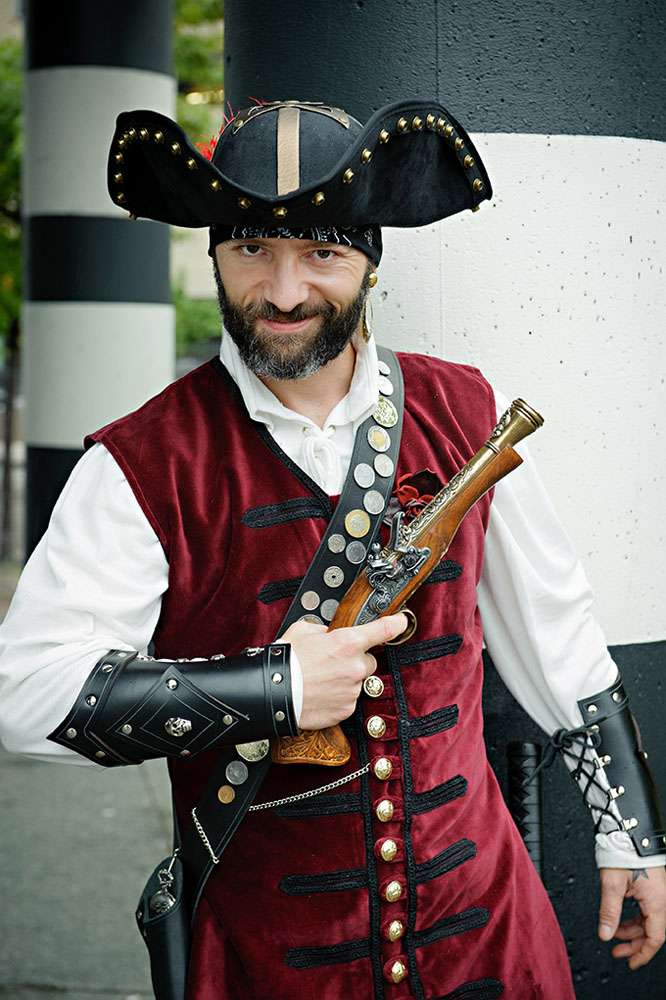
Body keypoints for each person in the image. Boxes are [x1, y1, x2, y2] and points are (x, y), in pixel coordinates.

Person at [0, 98, 664, 1000]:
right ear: (214, 255)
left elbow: (559, 633)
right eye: (251, 250)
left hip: (485, 937)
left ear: (369, 260)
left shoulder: (466, 412)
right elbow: (28, 697)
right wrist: (274, 688)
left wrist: (630, 834)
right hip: (270, 960)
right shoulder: (139, 462)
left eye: (321, 252)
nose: (283, 292)